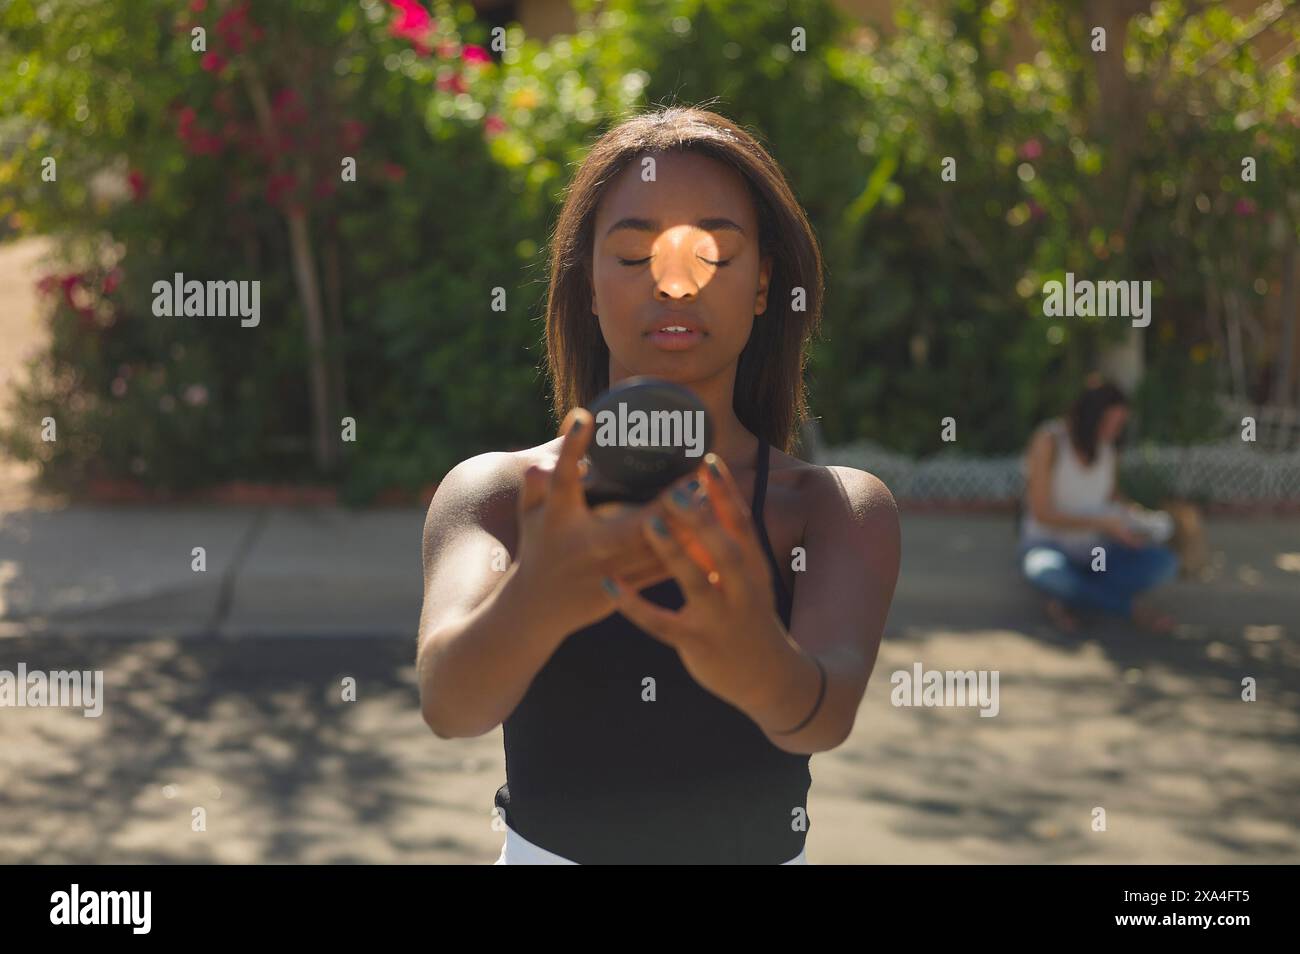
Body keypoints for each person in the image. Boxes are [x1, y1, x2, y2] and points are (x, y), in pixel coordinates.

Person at [415, 106, 901, 864]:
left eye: (713, 252)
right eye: (636, 255)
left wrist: (759, 665)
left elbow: (821, 715)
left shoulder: (834, 509)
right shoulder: (502, 494)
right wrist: (535, 601)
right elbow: (449, 703)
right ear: (586, 284)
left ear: (765, 282)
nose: (674, 285)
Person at [1019, 378, 1179, 633]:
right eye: (1110, 423)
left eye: (1119, 424)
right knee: (1047, 572)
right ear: (1091, 416)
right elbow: (1041, 513)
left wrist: (1138, 522)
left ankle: (1067, 599)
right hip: (1051, 545)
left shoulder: (1107, 449)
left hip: (1097, 551)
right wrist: (1102, 522)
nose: (1115, 431)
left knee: (1164, 563)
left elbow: (1112, 498)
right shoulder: (1049, 441)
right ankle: (1130, 609)